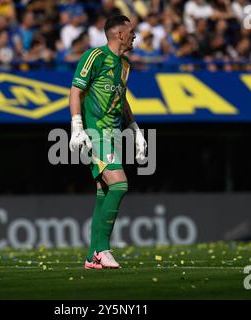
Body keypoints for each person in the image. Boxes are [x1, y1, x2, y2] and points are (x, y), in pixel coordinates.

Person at [68, 15, 147, 269]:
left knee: (104, 193)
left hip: (113, 135)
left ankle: (92, 256)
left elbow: (122, 100)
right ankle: (103, 249)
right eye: (131, 31)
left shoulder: (125, 65)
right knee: (120, 184)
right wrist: (77, 127)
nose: (135, 36)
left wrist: (135, 129)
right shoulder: (95, 56)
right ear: (120, 34)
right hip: (95, 133)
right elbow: (75, 91)